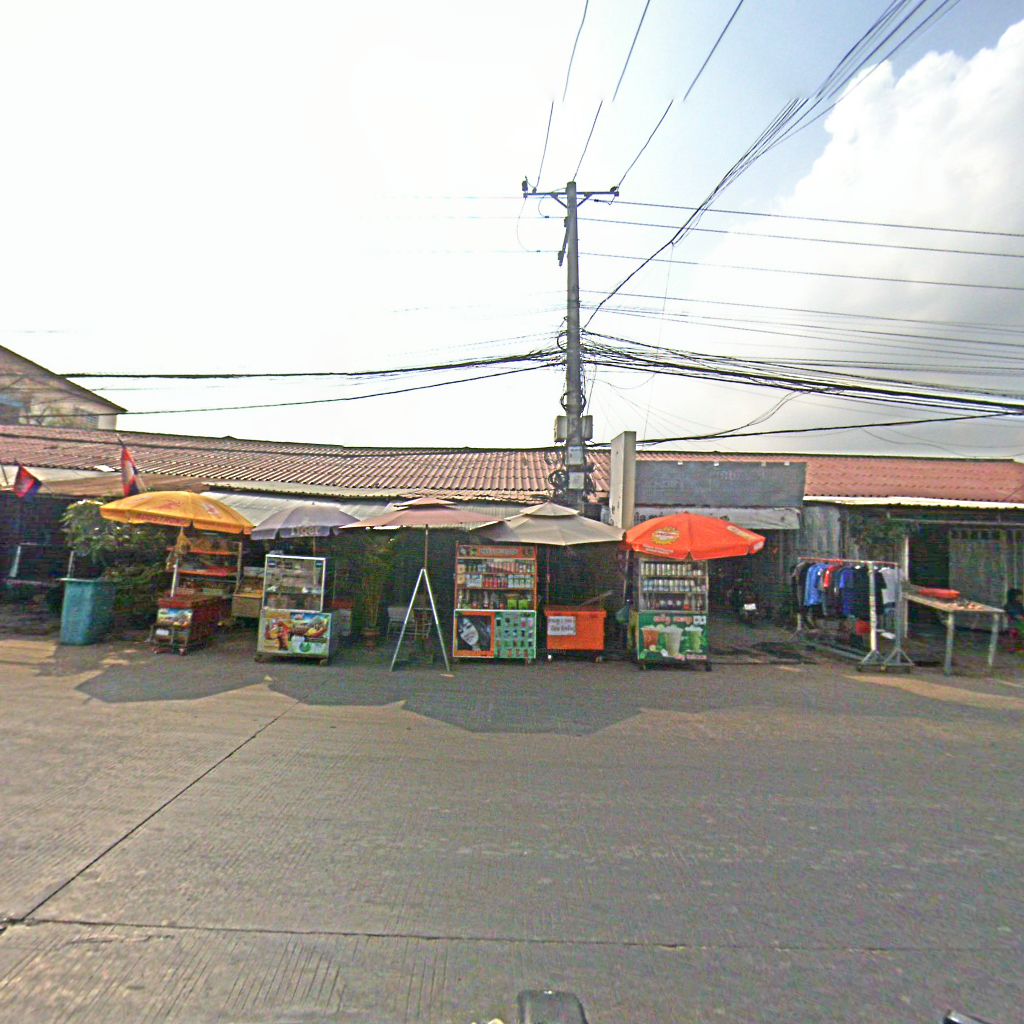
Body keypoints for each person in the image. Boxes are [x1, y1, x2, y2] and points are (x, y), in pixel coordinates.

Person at [1004, 587, 1024, 652]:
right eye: (1020, 595)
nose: (1021, 597)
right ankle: (1014, 648)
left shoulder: (1019, 605)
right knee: (1016, 633)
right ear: (1014, 596)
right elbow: (1014, 614)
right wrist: (1020, 618)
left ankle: (1019, 647)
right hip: (1014, 623)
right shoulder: (1008, 605)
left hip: (1020, 622)